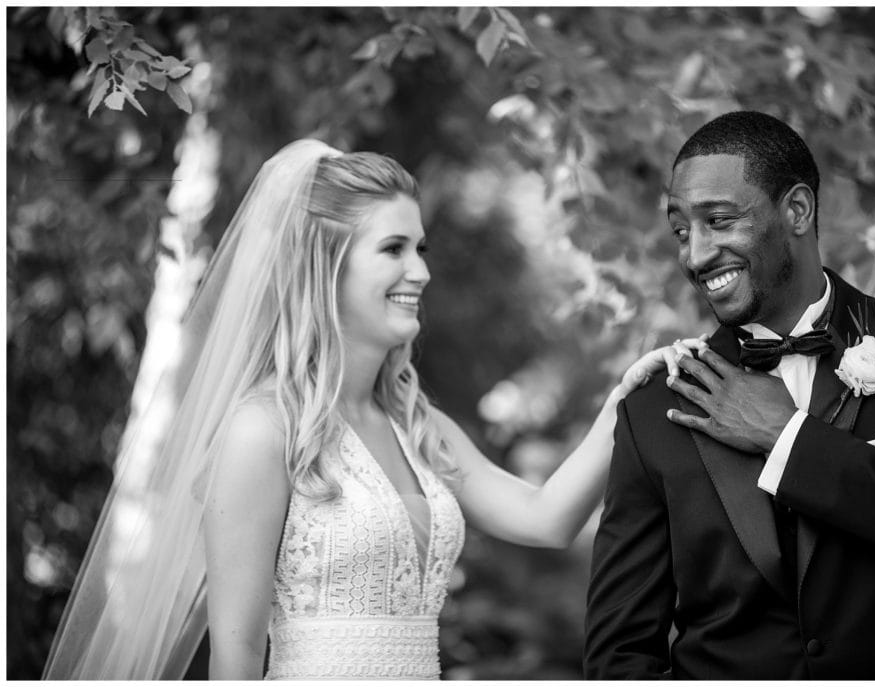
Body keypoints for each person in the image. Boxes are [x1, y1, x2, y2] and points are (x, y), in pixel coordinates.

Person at [43, 140, 685, 680]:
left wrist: (620, 406)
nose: (421, 273)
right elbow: (235, 657)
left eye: (421, 249)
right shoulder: (262, 429)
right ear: (327, 265)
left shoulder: (419, 424)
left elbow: (546, 519)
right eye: (393, 249)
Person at [583, 111, 875, 679]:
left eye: (719, 220)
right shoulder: (654, 409)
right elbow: (618, 654)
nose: (696, 255)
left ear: (798, 211)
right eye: (682, 231)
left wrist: (788, 438)